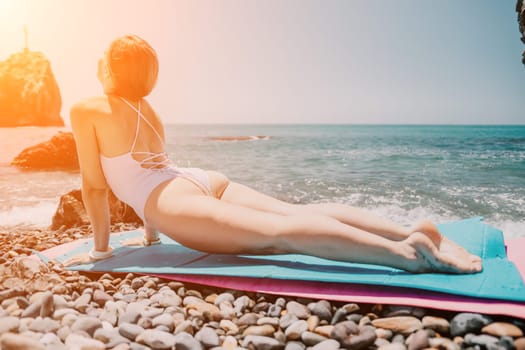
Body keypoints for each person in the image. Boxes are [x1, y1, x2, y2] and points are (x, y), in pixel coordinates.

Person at [65, 34, 482, 274]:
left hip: (170, 198)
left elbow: (96, 186)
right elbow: (147, 164)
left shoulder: (88, 108)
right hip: (199, 180)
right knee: (299, 211)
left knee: (280, 235)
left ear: (110, 69)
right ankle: (408, 231)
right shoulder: (149, 109)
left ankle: (407, 254)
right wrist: (151, 235)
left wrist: (102, 252)